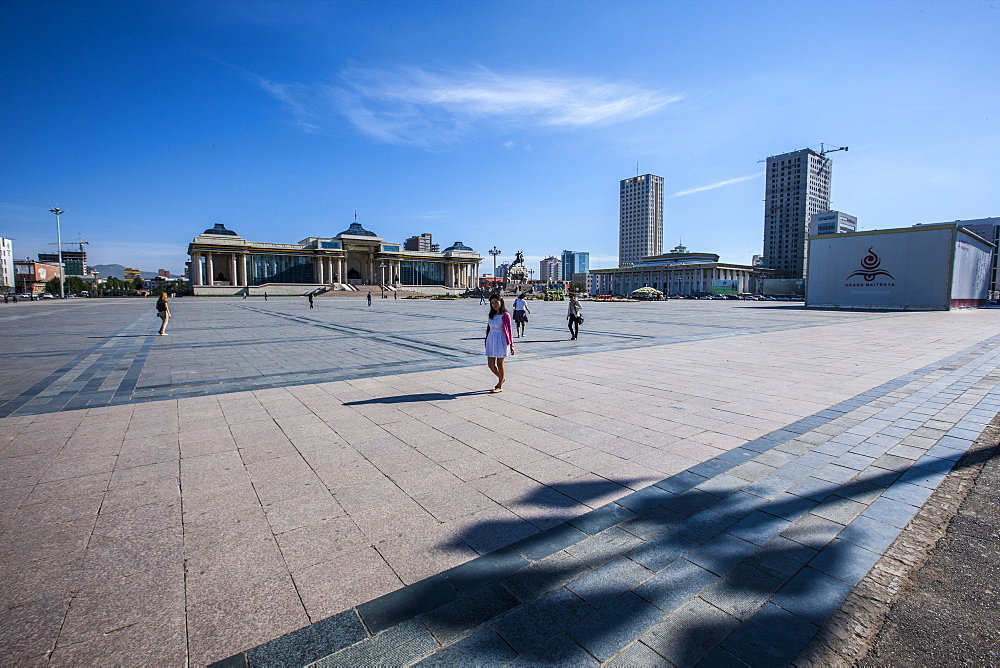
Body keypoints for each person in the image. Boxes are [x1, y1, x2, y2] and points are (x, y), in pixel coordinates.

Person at [484, 295, 514, 392]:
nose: (494, 305)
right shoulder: (491, 314)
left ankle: (499, 386)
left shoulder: (505, 315)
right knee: (490, 364)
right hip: (491, 338)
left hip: (501, 339)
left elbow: (509, 330)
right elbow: (488, 328)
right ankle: (502, 378)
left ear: (501, 302)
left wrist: (511, 345)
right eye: (492, 303)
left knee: (500, 364)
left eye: (496, 302)